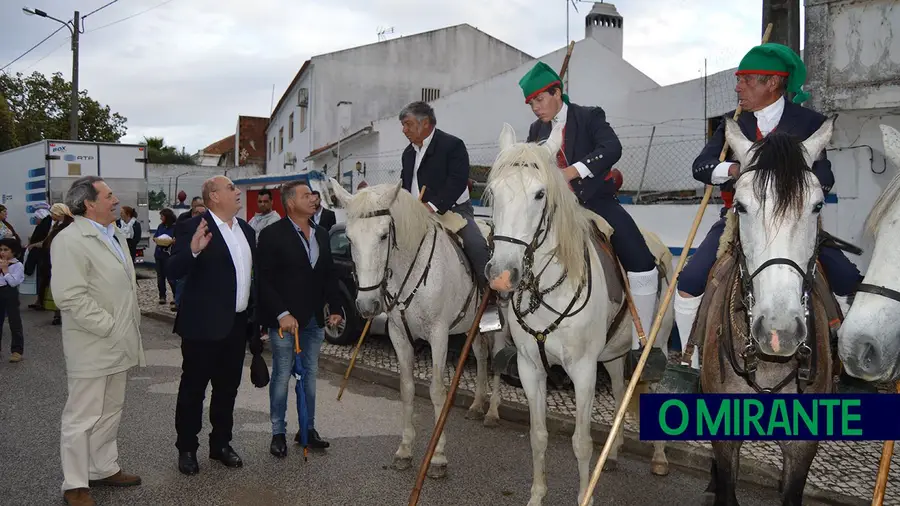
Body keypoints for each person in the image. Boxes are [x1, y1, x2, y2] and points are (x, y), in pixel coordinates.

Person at [675, 43, 862, 371]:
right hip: (740, 219)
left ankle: (844, 361)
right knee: (689, 281)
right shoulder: (734, 124)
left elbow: (825, 175)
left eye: (746, 79)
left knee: (848, 278)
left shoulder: (810, 124)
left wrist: (789, 181)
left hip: (796, 222)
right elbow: (701, 166)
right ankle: (691, 365)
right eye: (739, 80)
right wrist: (736, 170)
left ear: (772, 83)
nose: (738, 87)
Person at [518, 61, 666, 379]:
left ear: (557, 92)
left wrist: (574, 170)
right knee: (516, 251)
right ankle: (520, 334)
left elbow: (612, 148)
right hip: (552, 210)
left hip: (595, 202)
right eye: (530, 103)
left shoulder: (589, 116)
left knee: (641, 260)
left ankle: (644, 344)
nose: (535, 108)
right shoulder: (536, 131)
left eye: (539, 100)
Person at [50, 176, 145, 506]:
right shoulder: (71, 240)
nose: (116, 199)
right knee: (82, 416)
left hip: (117, 343)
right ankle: (74, 483)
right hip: (92, 344)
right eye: (108, 195)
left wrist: (123, 330)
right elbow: (70, 297)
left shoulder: (114, 233)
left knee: (110, 411)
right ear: (89, 203)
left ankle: (102, 467)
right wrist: (110, 327)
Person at [166, 175, 259, 476]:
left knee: (227, 389)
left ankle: (220, 444)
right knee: (194, 390)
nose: (238, 192)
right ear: (214, 196)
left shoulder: (245, 229)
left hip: (235, 325)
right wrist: (193, 250)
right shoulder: (192, 226)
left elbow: (249, 277)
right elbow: (174, 269)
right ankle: (187, 448)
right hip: (202, 326)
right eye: (231, 188)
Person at [257, 181, 343, 456]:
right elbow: (264, 280)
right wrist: (282, 313)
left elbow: (329, 275)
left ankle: (307, 430)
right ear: (291, 202)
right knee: (282, 376)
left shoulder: (322, 234)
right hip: (285, 323)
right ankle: (278, 433)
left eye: (314, 195)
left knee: (309, 378)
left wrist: (337, 308)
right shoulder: (272, 234)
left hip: (314, 320)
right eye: (307, 195)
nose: (314, 198)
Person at [398, 101, 497, 319]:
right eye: (403, 125)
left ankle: (490, 303)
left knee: (476, 244)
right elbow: (405, 185)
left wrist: (432, 206)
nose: (404, 130)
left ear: (425, 123)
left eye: (407, 124)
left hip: (453, 212)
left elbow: (457, 181)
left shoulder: (452, 145)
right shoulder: (407, 154)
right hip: (416, 217)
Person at [0, 238, 25, 363]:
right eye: (1, 250)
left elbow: (14, 282)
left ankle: (17, 350)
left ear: (13, 251)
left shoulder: (17, 265)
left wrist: (5, 271)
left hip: (10, 292)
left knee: (14, 321)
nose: (3, 252)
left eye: (6, 250)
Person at [152, 208, 177, 306]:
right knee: (160, 277)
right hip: (159, 254)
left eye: (162, 216)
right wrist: (156, 239)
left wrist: (173, 241)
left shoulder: (175, 227)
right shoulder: (160, 226)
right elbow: (156, 236)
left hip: (169, 255)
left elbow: (176, 239)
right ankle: (162, 296)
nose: (160, 218)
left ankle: (176, 296)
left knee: (171, 277)